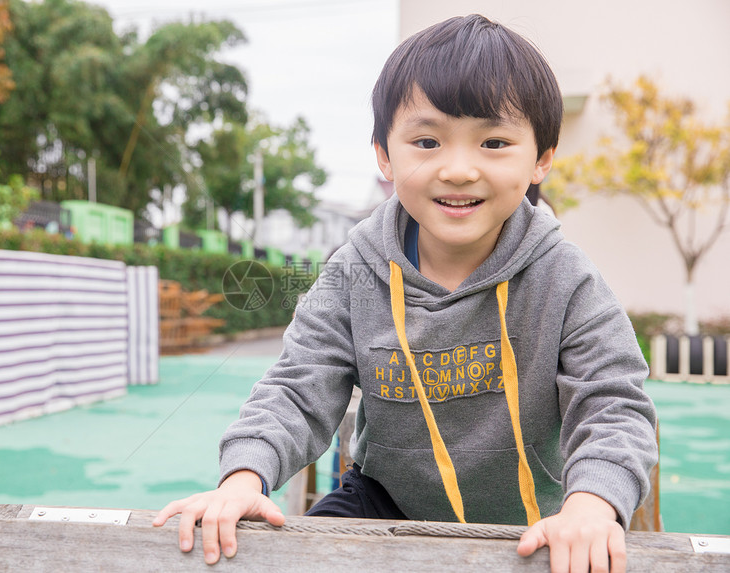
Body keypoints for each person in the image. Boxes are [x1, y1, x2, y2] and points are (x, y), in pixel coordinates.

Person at [153, 14, 658, 572]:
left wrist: (592, 505)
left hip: (540, 516)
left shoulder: (567, 277)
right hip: (384, 503)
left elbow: (613, 402)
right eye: (426, 141)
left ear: (541, 158)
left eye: (494, 142)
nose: (459, 169)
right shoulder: (352, 272)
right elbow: (298, 387)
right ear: (384, 156)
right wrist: (243, 477)